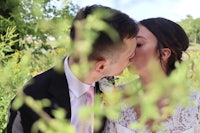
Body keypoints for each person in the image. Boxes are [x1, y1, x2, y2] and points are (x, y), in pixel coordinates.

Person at [6, 5, 138, 133]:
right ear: (101, 66)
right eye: (129, 56)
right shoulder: (31, 100)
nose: (132, 61)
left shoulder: (107, 84)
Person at [103, 17, 200, 132]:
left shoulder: (196, 103)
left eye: (138, 45)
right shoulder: (113, 97)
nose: (128, 52)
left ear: (164, 53)